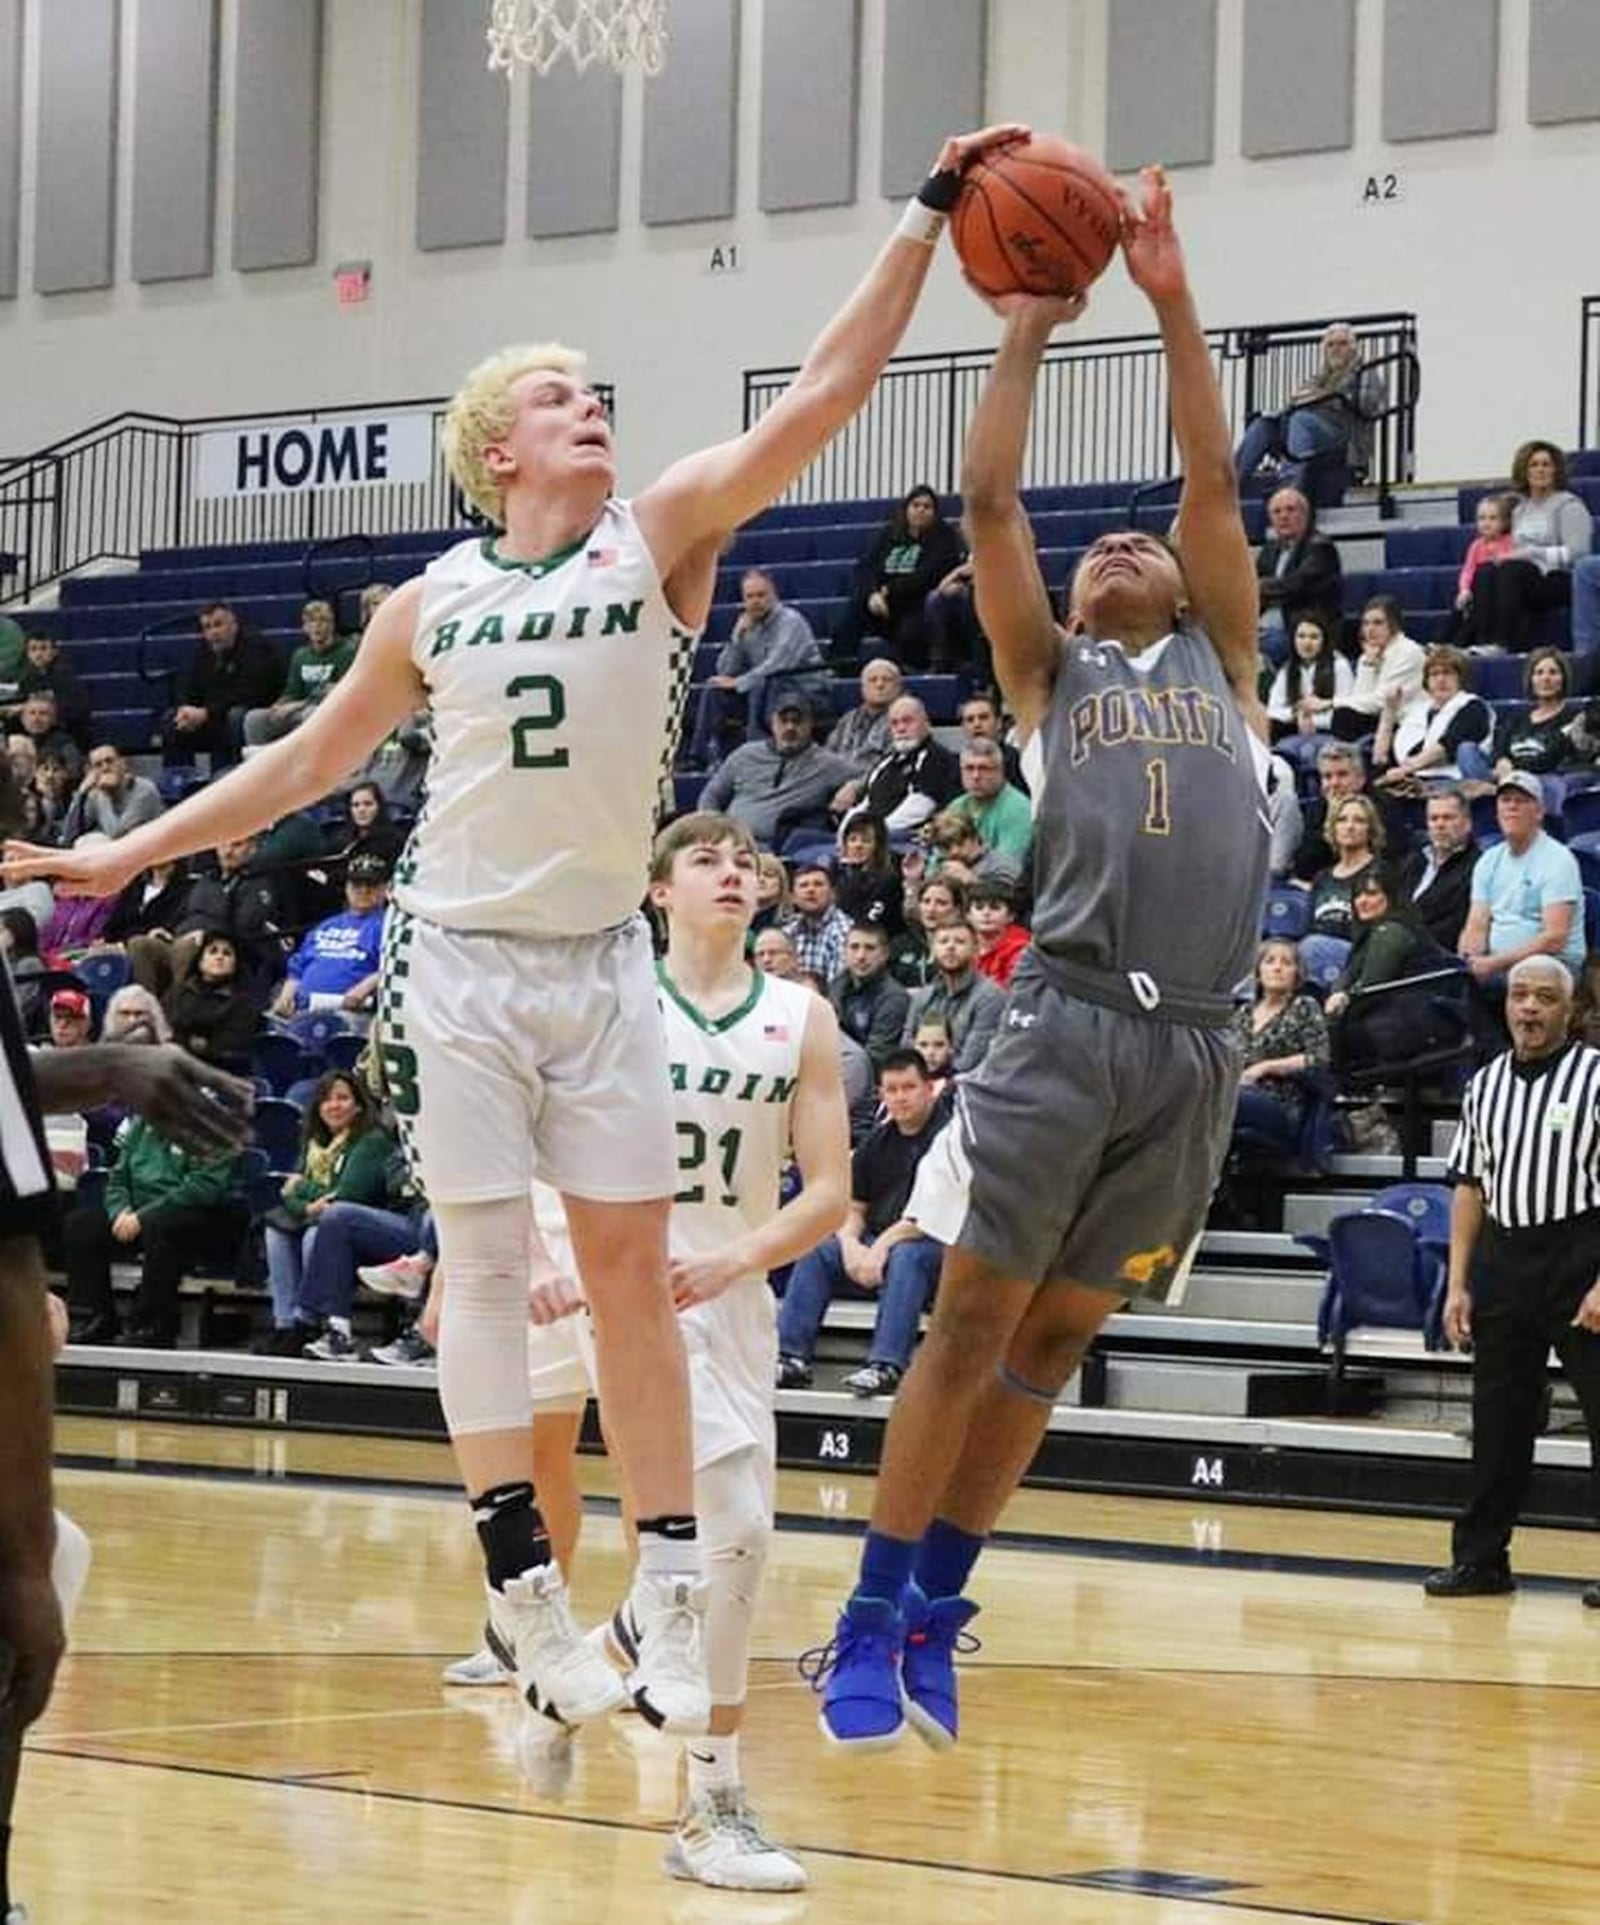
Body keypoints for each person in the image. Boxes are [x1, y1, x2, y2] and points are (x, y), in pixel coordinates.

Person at [5, 117, 1029, 1738]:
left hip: (599, 969)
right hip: (461, 961)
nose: (593, 408)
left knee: (629, 1277)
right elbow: (302, 764)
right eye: (561, 399)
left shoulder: (665, 532)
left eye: (595, 393)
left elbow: (828, 395)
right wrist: (112, 853)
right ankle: (524, 1589)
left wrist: (921, 220)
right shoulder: (431, 605)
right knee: (485, 1273)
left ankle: (674, 1592)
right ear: (499, 453)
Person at [812, 165, 1272, 1750]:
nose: (1130, 538)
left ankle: (941, 1596)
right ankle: (865, 1616)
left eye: (1145, 541)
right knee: (968, 1317)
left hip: (1198, 1047)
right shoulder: (1046, 675)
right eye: (1105, 551)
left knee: (1065, 1335)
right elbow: (998, 502)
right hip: (1065, 1022)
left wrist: (1167, 295)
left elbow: (1210, 469)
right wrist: (1022, 325)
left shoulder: (1229, 660)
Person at [453, 813, 850, 1890]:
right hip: (621, 1281)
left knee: (737, 1541)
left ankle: (621, 1634)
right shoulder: (614, 1001)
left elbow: (828, 1193)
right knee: (741, 1526)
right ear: (657, 892)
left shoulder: (801, 1017)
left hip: (729, 1291)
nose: (731, 872)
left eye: (744, 862)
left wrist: (739, 1263)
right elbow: (521, 1129)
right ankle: (711, 1802)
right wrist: (521, 1250)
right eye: (705, 859)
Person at [1426, 957, 1600, 1603]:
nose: (1529, 1007)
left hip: (1582, 1252)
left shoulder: (1597, 1076)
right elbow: (1469, 1185)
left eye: (1545, 998)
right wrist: (1460, 1282)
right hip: (1505, 1256)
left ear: (1569, 1009)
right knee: (1497, 1423)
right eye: (1520, 995)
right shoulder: (1486, 1083)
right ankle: (1480, 1560)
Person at [776, 1047, 949, 1399]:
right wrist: (851, 1245)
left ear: (929, 1088)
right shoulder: (879, 1141)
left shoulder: (950, 1138)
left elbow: (932, 1216)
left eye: (909, 1088)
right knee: (821, 1251)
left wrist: (880, 1248)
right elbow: (854, 1206)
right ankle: (790, 1357)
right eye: (892, 1089)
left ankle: (885, 1365)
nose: (900, 1097)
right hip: (880, 1246)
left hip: (936, 1250)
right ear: (881, 1094)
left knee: (907, 1256)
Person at [61, 1088, 248, 1347]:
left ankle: (154, 1323)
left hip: (205, 1217)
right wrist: (120, 1211)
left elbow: (202, 1188)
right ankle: (93, 1316)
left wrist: (142, 1217)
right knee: (81, 1224)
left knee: (161, 1227)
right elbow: (117, 1178)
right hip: (140, 1214)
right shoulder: (141, 1125)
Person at [257, 1071, 396, 1357]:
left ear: (359, 1105)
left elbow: (346, 1195)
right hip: (320, 1218)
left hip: (362, 1236)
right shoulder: (314, 1144)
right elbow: (288, 1195)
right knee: (276, 1232)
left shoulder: (371, 1141)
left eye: (343, 1098)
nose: (333, 1106)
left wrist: (302, 1191)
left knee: (315, 1234)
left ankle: (313, 1323)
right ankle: (286, 1324)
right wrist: (306, 1205)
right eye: (326, 1099)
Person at [1458, 771, 1585, 994]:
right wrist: (1470, 960)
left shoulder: (1559, 859)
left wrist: (1494, 964)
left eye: (1522, 801)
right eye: (1505, 800)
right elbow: (1476, 924)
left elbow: (1554, 938)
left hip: (1552, 964)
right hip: (1497, 965)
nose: (1512, 807)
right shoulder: (1488, 860)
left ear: (1539, 812)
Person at [686, 569, 828, 769]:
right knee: (714, 688)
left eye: (761, 595)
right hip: (764, 691)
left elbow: (778, 665)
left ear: (774, 595)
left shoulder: (790, 621)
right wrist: (737, 637)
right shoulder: (748, 625)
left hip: (804, 691)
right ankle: (697, 756)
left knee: (763, 682)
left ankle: (757, 755)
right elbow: (724, 670)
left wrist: (739, 682)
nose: (755, 601)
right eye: (749, 597)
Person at [1468, 442, 1593, 655]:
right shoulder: (1520, 511)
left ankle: (1504, 642)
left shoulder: (1569, 505)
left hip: (1560, 579)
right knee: (1485, 571)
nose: (1540, 470)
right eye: (1533, 465)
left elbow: (1580, 553)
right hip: (1526, 576)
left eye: (1546, 464)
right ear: (1524, 472)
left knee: (1512, 571)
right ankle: (1483, 642)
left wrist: (1534, 553)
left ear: (1556, 470)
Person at [1234, 323, 1387, 496]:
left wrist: (1328, 396)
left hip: (1343, 434)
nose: (1335, 349)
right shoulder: (1321, 376)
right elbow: (1297, 398)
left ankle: (1290, 487)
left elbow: (1368, 405)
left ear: (1353, 348)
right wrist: (1310, 398)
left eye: (1342, 344)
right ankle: (1230, 485)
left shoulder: (1366, 372)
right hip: (1308, 428)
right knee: (1264, 424)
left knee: (1301, 420)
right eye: (1330, 345)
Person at [1323, 868, 1450, 1072]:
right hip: (1390, 1019)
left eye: (1372, 894)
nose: (1362, 901)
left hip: (1408, 1024)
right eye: (1358, 895)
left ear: (1391, 897)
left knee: (1320, 1039)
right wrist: (1339, 995)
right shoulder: (1372, 932)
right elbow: (1348, 977)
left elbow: (1371, 988)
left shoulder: (1391, 931)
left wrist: (1343, 1000)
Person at [698, 691, 855, 851]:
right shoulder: (745, 754)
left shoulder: (826, 764)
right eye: (783, 720)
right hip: (731, 841)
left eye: (797, 721)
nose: (790, 727)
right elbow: (712, 795)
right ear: (772, 723)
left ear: (810, 725)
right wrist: (714, 828)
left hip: (775, 850)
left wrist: (854, 787)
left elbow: (870, 775)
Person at [835, 487, 965, 669]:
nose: (921, 510)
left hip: (917, 604)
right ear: (906, 509)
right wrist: (872, 593)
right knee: (854, 609)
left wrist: (888, 592)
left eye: (927, 507)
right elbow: (865, 567)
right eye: (916, 505)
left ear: (935, 513)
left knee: (910, 630)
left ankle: (914, 668)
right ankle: (840, 667)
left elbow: (928, 575)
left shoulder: (944, 537)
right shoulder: (889, 533)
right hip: (882, 603)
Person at [1230, 939, 1329, 1156]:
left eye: (1287, 963)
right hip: (1235, 1094)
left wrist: (1264, 1068)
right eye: (1270, 961)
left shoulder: (1304, 1007)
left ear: (1297, 973)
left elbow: (1318, 1059)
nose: (1277, 968)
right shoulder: (1243, 1013)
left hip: (1279, 1104)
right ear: (1258, 972)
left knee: (1228, 1102)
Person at [160, 602, 284, 769]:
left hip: (248, 715)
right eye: (207, 627)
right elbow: (190, 689)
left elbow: (250, 694)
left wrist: (207, 712)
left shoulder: (257, 649)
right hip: (212, 716)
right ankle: (180, 780)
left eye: (218, 625)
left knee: (236, 716)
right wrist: (185, 710)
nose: (213, 632)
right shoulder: (203, 654)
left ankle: (233, 773)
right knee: (171, 719)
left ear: (234, 625)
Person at [269, 853, 388, 1023]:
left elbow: (393, 967)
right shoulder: (326, 925)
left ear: (385, 888)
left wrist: (366, 987)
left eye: (371, 884)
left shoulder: (388, 926)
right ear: (346, 887)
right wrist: (287, 995)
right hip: (301, 1012)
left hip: (354, 1014)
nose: (364, 890)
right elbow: (297, 969)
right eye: (357, 884)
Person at [1371, 645, 1493, 795]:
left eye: (1447, 673)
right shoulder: (1417, 711)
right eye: (1434, 674)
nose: (1441, 679)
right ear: (1426, 681)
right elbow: (1379, 758)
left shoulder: (1473, 706)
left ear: (1461, 679)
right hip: (1414, 781)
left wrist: (1405, 769)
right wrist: (1389, 711)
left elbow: (1447, 746)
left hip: (1456, 780)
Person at [838, 695, 962, 837]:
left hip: (906, 838)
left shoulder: (935, 757)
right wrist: (845, 834)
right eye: (895, 723)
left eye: (907, 721)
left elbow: (921, 807)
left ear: (926, 723)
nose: (901, 729)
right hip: (872, 837)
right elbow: (865, 803)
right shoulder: (886, 762)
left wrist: (875, 834)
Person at [242, 599, 356, 749]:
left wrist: (300, 705)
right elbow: (292, 692)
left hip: (329, 712)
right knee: (254, 718)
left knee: (311, 714)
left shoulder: (347, 651)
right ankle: (260, 765)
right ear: (304, 627)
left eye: (322, 621)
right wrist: (277, 708)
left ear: (332, 624)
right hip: (300, 710)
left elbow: (340, 692)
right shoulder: (300, 655)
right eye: (311, 622)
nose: (317, 626)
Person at [899, 920, 1005, 1073]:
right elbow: (907, 1049)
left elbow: (972, 1061)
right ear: (933, 949)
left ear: (976, 949)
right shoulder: (923, 997)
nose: (950, 947)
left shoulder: (990, 997)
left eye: (960, 942)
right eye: (943, 941)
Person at [1252, 488, 1343, 665]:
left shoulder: (1320, 547)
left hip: (1301, 632)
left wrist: (1259, 587)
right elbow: (1251, 590)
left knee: (1265, 649)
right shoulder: (1270, 549)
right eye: (1276, 511)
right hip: (1264, 630)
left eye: (1290, 509)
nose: (1283, 516)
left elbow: (1294, 586)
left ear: (1305, 514)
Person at [1485, 646, 1578, 810]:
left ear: (1563, 679)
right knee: (1467, 752)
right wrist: (1501, 761)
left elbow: (1549, 758)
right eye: (1539, 673)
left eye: (1553, 672)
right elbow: (1498, 750)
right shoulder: (1518, 718)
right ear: (1531, 679)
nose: (1546, 678)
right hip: (1506, 777)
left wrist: (1512, 770)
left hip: (1542, 780)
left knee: (1552, 785)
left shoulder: (1573, 717)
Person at [1331, 596, 1426, 741]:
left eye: (1378, 623)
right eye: (1366, 623)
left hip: (1405, 722)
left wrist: (1329, 703)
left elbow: (1381, 702)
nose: (1370, 629)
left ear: (1394, 625)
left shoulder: (1408, 651)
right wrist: (1369, 665)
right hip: (1380, 718)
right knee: (1344, 716)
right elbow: (1359, 700)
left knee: (1343, 716)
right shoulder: (1368, 655)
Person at [1397, 787, 1479, 952]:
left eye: (1448, 818)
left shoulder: (1477, 867)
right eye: (1434, 819)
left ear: (1467, 824)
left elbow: (1454, 926)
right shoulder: (1414, 859)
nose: (1440, 825)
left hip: (1432, 956)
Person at [1266, 613, 1355, 758]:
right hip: (1293, 732)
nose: (1307, 642)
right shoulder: (1287, 670)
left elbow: (1347, 708)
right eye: (1301, 636)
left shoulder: (1339, 666)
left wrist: (1312, 720)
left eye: (1314, 637)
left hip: (1331, 734)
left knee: (1310, 753)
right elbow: (1272, 711)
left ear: (1324, 640)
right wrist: (1296, 715)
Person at [830, 922, 910, 1073]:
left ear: (885, 954)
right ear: (844, 952)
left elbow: (877, 1058)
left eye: (870, 948)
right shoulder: (837, 985)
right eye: (854, 947)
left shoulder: (894, 998)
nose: (861, 956)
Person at [943, 737, 1032, 872]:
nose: (976, 776)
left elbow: (1007, 869)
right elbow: (937, 861)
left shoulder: (1019, 809)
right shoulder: (956, 806)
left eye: (984, 768)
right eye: (969, 768)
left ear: (1000, 771)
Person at [1444, 492, 1518, 650]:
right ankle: (1443, 641)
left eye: (1493, 518)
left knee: (1475, 616)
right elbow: (1468, 571)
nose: (1486, 523)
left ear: (1505, 522)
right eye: (1482, 518)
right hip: (1474, 594)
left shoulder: (1510, 543)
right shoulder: (1476, 545)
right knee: (1459, 607)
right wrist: (1464, 590)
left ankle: (1460, 644)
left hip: (1493, 596)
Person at [58, 745, 165, 846]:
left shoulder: (144, 789)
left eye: (109, 761)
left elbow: (118, 835)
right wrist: (81, 793)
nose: (105, 768)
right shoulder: (95, 794)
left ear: (123, 764)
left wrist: (106, 795)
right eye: (98, 765)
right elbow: (68, 838)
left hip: (152, 853)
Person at [831, 809, 903, 937]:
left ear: (878, 846)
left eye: (866, 840)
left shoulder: (888, 881)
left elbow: (870, 920)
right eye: (852, 839)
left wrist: (855, 877)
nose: (858, 845)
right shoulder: (836, 873)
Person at [778, 861, 851, 982]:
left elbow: (837, 990)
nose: (811, 890)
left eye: (818, 884)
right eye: (803, 885)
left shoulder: (844, 931)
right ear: (793, 898)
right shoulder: (787, 932)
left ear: (833, 894)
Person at [824, 658, 903, 771]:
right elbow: (828, 755)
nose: (879, 685)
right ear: (863, 688)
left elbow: (894, 767)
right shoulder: (847, 720)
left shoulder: (905, 721)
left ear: (898, 687)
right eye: (873, 680)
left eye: (887, 680)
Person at [969, 881, 1030, 987]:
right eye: (979, 907)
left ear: (1011, 916)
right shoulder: (961, 942)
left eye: (995, 908)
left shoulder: (1021, 949)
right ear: (968, 915)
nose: (986, 913)